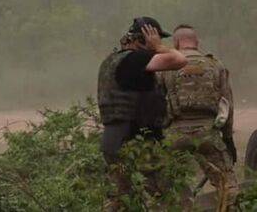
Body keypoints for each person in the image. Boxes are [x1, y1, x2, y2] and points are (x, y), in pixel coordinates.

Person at [98, 16, 187, 211]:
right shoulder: (134, 59)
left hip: (112, 140)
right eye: (156, 37)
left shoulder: (111, 61)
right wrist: (158, 47)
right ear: (142, 39)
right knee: (172, 196)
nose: (158, 42)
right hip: (137, 142)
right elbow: (180, 60)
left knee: (119, 200)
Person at [160, 24, 237, 211]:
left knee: (168, 183)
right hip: (208, 132)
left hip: (174, 133)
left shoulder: (165, 66)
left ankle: (185, 206)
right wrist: (228, 139)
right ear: (197, 42)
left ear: (176, 42)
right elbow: (227, 104)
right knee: (227, 185)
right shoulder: (215, 65)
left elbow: (157, 102)